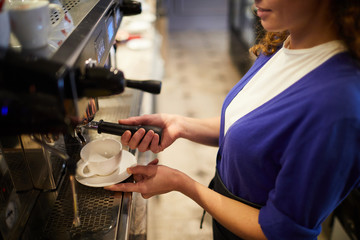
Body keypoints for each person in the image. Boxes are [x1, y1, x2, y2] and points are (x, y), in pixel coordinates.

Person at [105, 0, 360, 239]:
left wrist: (182, 184)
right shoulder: (287, 41)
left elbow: (280, 230)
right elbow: (255, 130)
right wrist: (181, 125)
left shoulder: (337, 106)